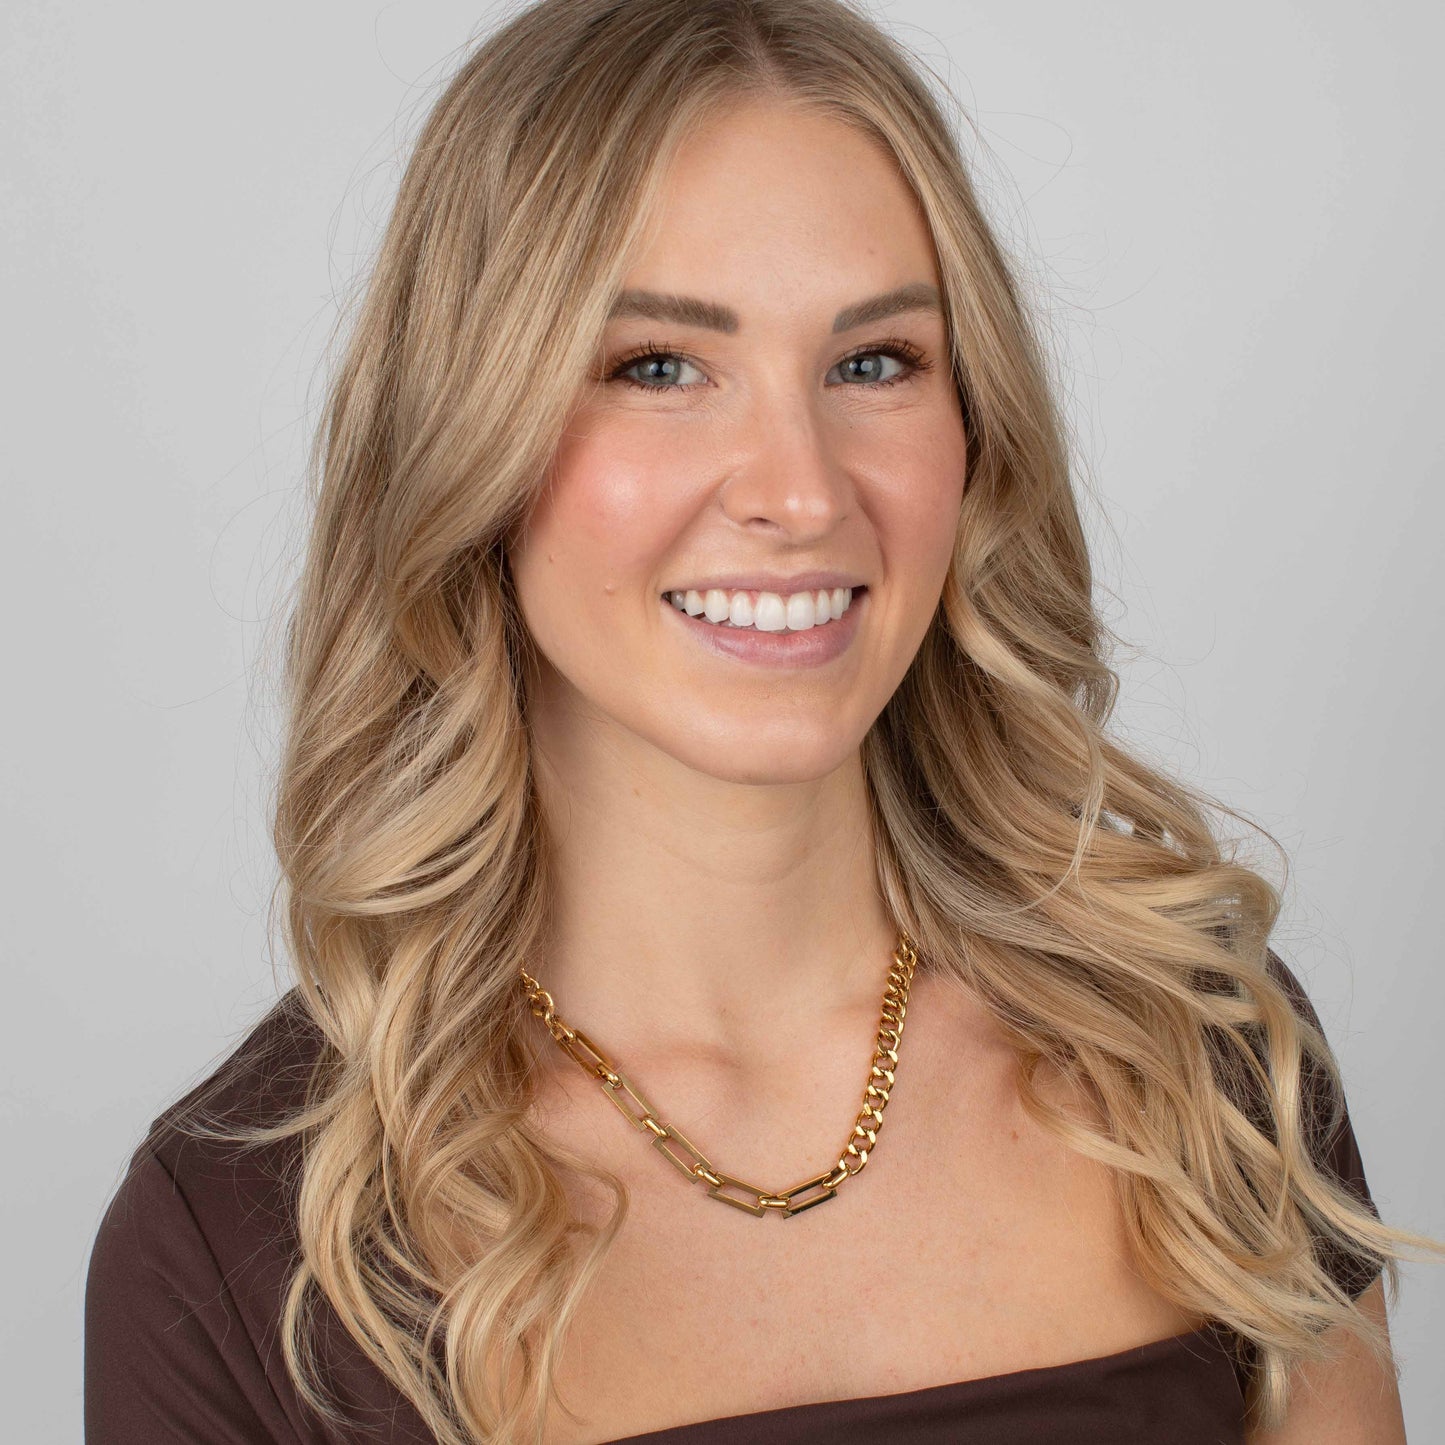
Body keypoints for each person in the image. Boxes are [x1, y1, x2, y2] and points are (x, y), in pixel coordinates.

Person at [83, 1, 1440, 1442]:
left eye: (873, 363)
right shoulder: (238, 1252)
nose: (799, 490)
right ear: (464, 436)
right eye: (658, 365)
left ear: (975, 436)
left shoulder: (1196, 1044)